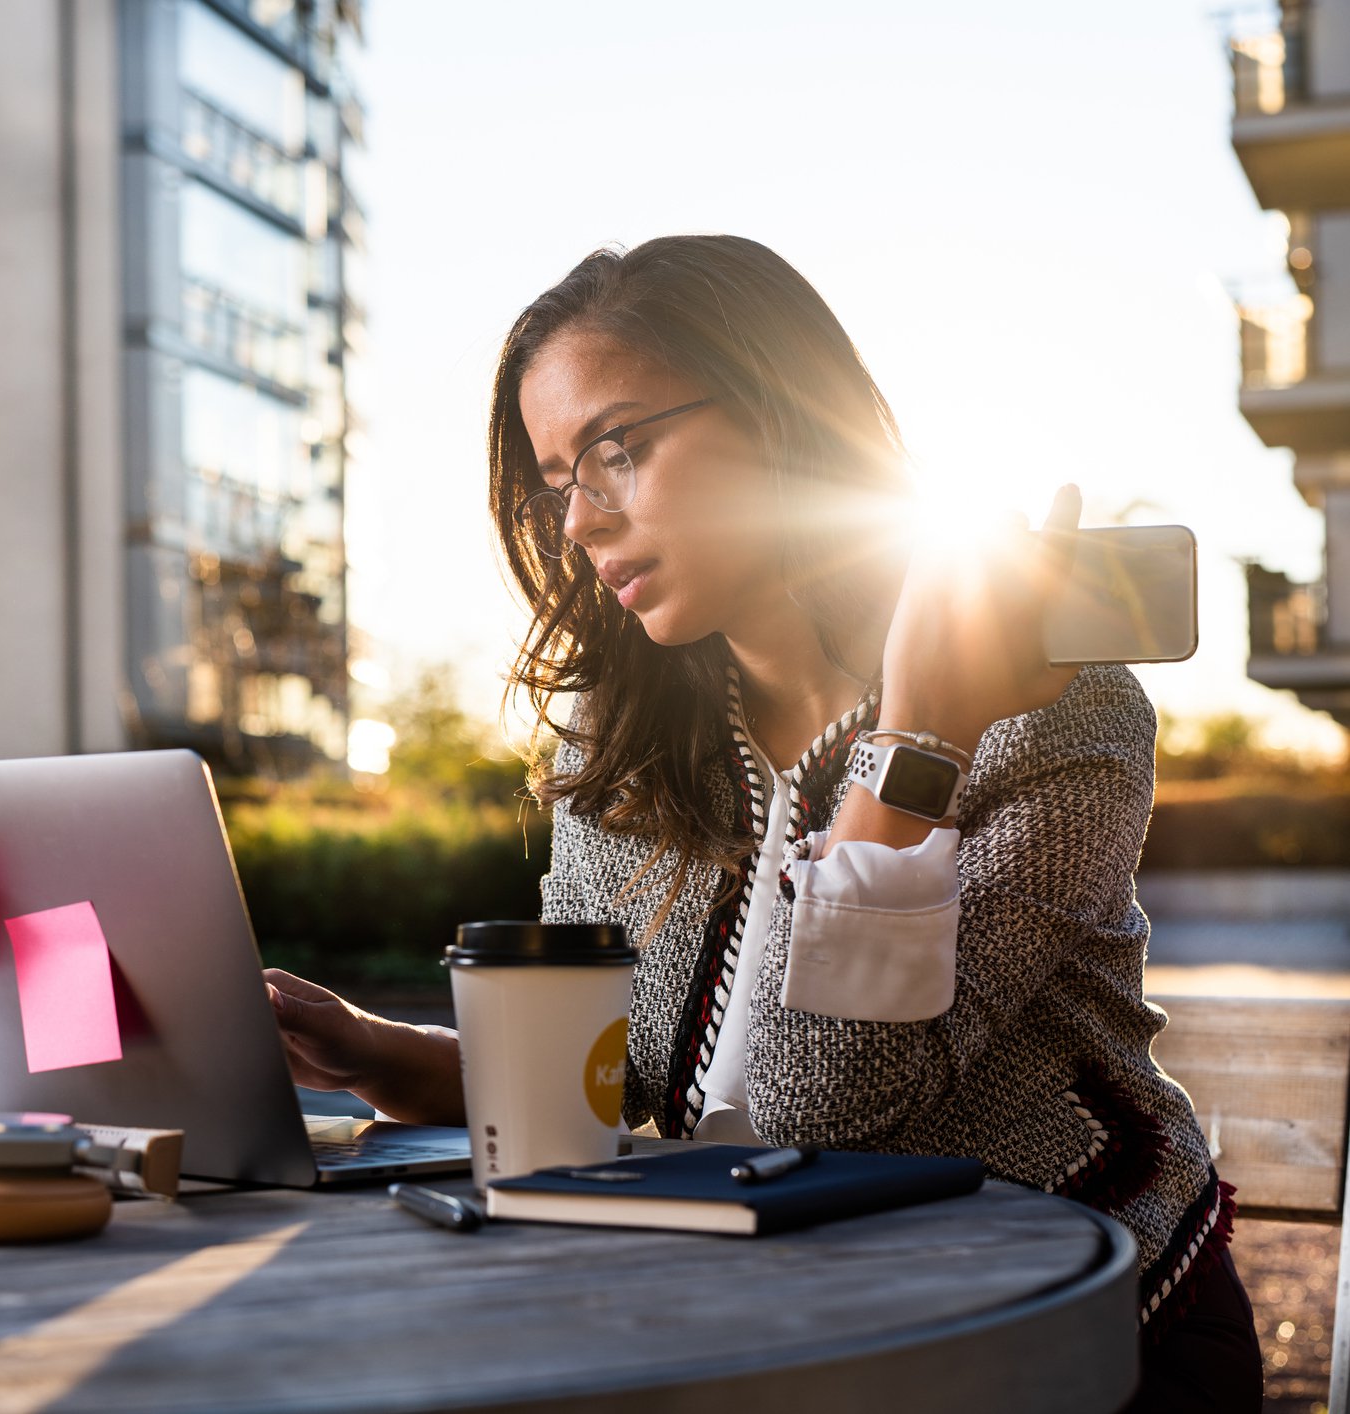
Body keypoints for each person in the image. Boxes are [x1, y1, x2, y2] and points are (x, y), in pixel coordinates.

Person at [265, 234, 1262, 1412]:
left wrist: (913, 743)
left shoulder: (1059, 713)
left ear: (778, 412)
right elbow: (623, 1070)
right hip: (760, 1304)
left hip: (1064, 1323)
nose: (579, 520)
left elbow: (820, 1105)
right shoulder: (618, 738)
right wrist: (381, 1054)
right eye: (556, 483)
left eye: (616, 450)